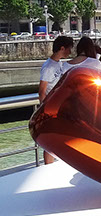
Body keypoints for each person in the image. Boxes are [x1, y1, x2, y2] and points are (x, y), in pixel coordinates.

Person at [38, 35, 74, 164]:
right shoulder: (48, 67)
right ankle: (48, 165)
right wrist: (44, 110)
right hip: (50, 107)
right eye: (69, 48)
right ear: (62, 48)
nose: (70, 51)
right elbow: (42, 91)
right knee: (50, 139)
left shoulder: (59, 63)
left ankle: (53, 162)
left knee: (57, 137)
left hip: (58, 105)